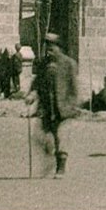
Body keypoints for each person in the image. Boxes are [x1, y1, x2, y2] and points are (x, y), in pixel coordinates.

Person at [29, 33, 78, 177]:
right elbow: (36, 83)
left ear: (59, 48)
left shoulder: (68, 64)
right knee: (40, 136)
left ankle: (60, 168)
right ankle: (50, 153)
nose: (49, 50)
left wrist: (72, 105)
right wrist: (31, 95)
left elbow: (74, 88)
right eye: (47, 46)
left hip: (63, 108)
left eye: (52, 46)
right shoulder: (43, 64)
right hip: (46, 107)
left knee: (61, 137)